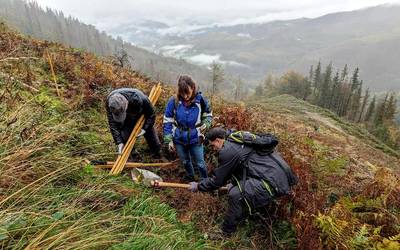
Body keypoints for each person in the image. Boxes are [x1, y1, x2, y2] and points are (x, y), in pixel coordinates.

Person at [188, 127, 297, 237]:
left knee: (235, 194)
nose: (213, 149)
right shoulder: (236, 139)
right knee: (238, 189)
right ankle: (245, 217)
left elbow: (217, 181)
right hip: (276, 175)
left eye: (212, 145)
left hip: (272, 181)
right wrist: (235, 183)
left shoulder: (228, 151)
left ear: (218, 140)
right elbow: (242, 167)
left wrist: (198, 186)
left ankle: (225, 233)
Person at [163, 75, 212, 181]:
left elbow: (208, 115)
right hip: (179, 138)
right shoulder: (174, 101)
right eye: (182, 93)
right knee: (185, 161)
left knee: (200, 163)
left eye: (187, 93)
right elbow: (167, 121)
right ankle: (191, 178)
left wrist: (206, 123)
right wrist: (169, 140)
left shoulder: (201, 101)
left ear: (193, 88)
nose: (185, 96)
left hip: (196, 137)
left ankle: (205, 181)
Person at [106, 88, 162, 158]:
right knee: (125, 137)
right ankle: (133, 154)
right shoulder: (110, 102)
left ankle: (157, 153)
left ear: (125, 105)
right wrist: (119, 142)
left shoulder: (140, 99)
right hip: (127, 119)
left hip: (142, 116)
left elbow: (151, 115)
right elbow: (112, 124)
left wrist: (145, 128)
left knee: (153, 139)